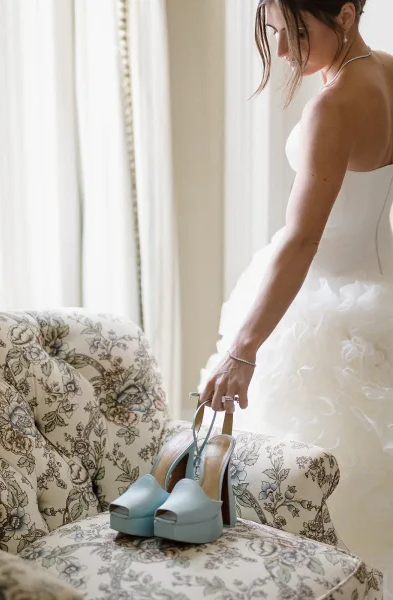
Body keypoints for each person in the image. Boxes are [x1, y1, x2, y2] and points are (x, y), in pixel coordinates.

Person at [198, 0, 393, 595]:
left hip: (321, 319)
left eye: (297, 33)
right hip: (381, 293)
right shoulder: (388, 70)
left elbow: (302, 239)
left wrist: (244, 348)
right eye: (278, 35)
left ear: (347, 12)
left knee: (307, 504)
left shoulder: (332, 108)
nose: (284, 52)